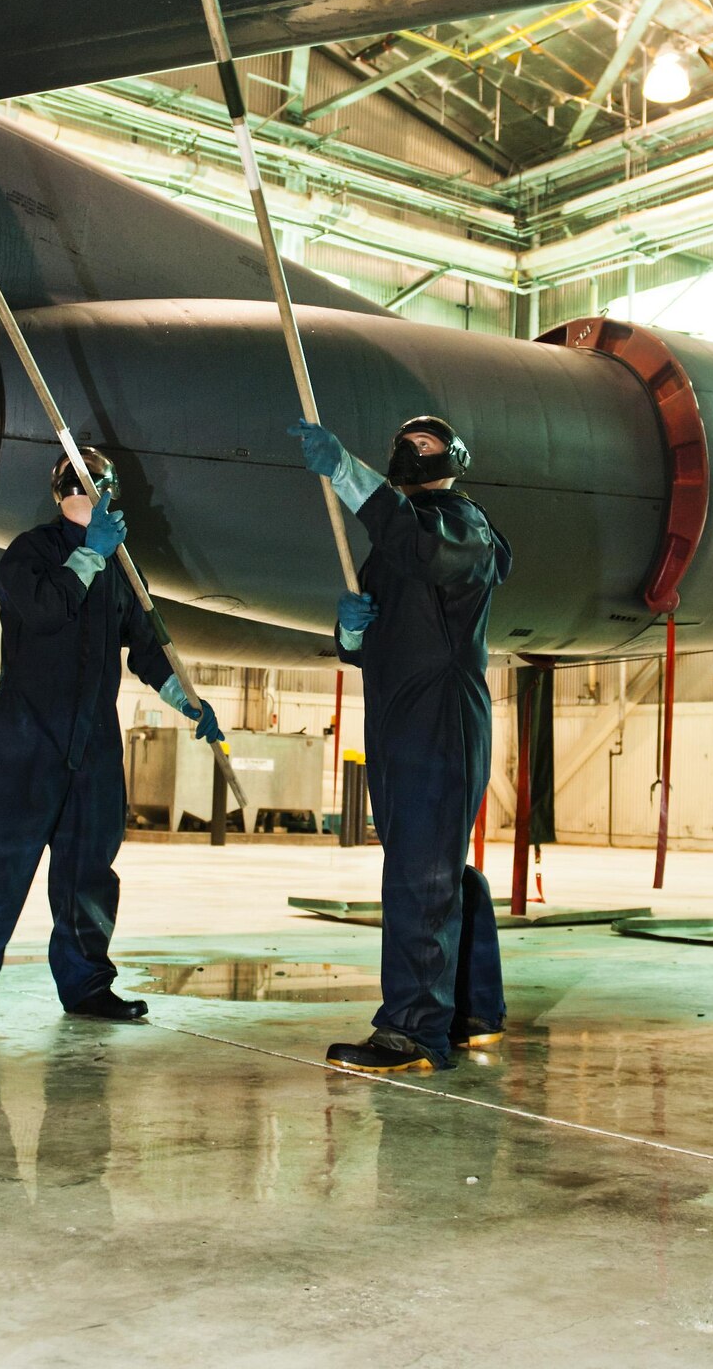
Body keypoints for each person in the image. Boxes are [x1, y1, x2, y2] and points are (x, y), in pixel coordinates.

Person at [0, 448, 224, 1033]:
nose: (83, 494)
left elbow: (148, 646)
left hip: (91, 746)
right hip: (23, 743)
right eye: (75, 487)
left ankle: (88, 987)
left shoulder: (123, 568)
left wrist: (188, 701)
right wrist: (93, 552)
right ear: (58, 495)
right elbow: (45, 611)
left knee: (88, 874)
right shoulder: (28, 555)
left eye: (93, 487)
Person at [289, 413, 511, 1073]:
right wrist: (352, 633)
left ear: (454, 458)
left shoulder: (460, 523)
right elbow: (379, 644)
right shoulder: (395, 539)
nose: (413, 454)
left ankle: (413, 1031)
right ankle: (472, 1009)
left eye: (427, 446)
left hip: (438, 716)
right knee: (435, 866)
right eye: (405, 445)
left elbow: (421, 550)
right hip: (397, 717)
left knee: (422, 871)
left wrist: (343, 471)